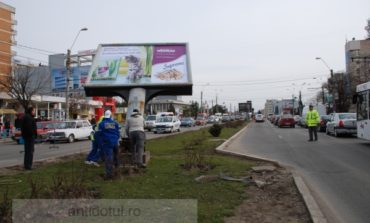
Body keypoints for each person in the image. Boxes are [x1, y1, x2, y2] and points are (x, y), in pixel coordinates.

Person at [99, 110, 120, 179]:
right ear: (111, 116)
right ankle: (117, 169)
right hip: (115, 142)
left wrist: (102, 142)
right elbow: (118, 132)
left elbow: (100, 134)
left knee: (109, 157)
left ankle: (109, 173)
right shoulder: (115, 123)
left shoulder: (102, 124)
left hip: (107, 143)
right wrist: (116, 138)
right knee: (116, 155)